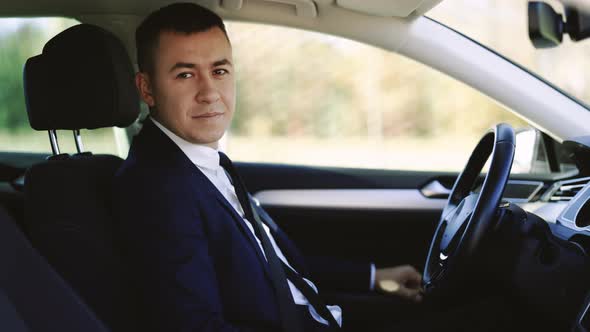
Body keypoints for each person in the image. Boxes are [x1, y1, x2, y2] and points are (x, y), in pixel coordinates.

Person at [112, 3, 422, 331]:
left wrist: (374, 277)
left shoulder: (201, 162)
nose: (209, 92)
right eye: (185, 74)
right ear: (147, 89)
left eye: (219, 71)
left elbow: (271, 264)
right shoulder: (156, 188)